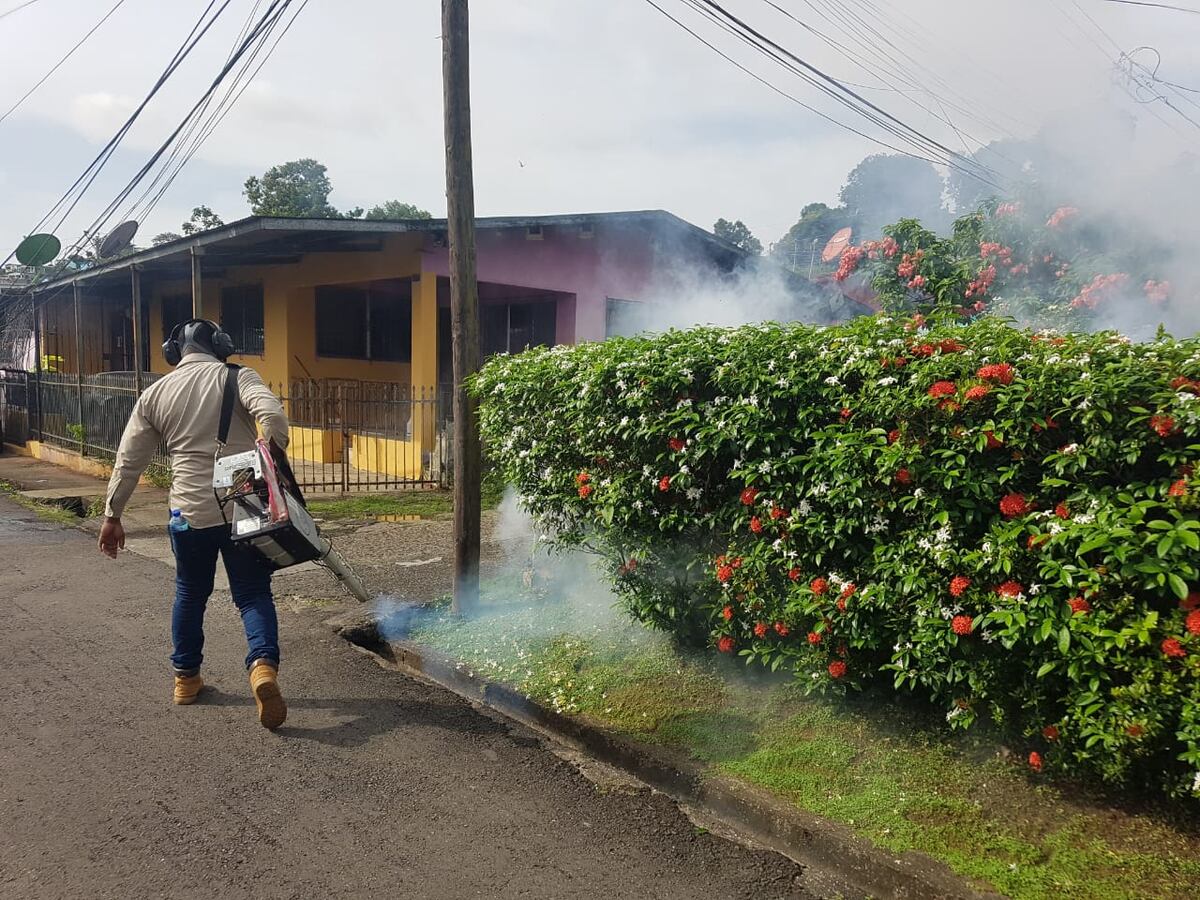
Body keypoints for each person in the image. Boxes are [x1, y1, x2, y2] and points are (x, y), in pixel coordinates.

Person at [99, 318, 290, 730]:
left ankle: (186, 680)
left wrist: (113, 515)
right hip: (243, 498)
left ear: (174, 351)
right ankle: (262, 668)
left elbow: (129, 461)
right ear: (220, 345)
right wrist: (271, 461)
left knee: (190, 593)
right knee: (253, 593)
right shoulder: (237, 376)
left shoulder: (154, 394)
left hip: (187, 507)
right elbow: (271, 415)